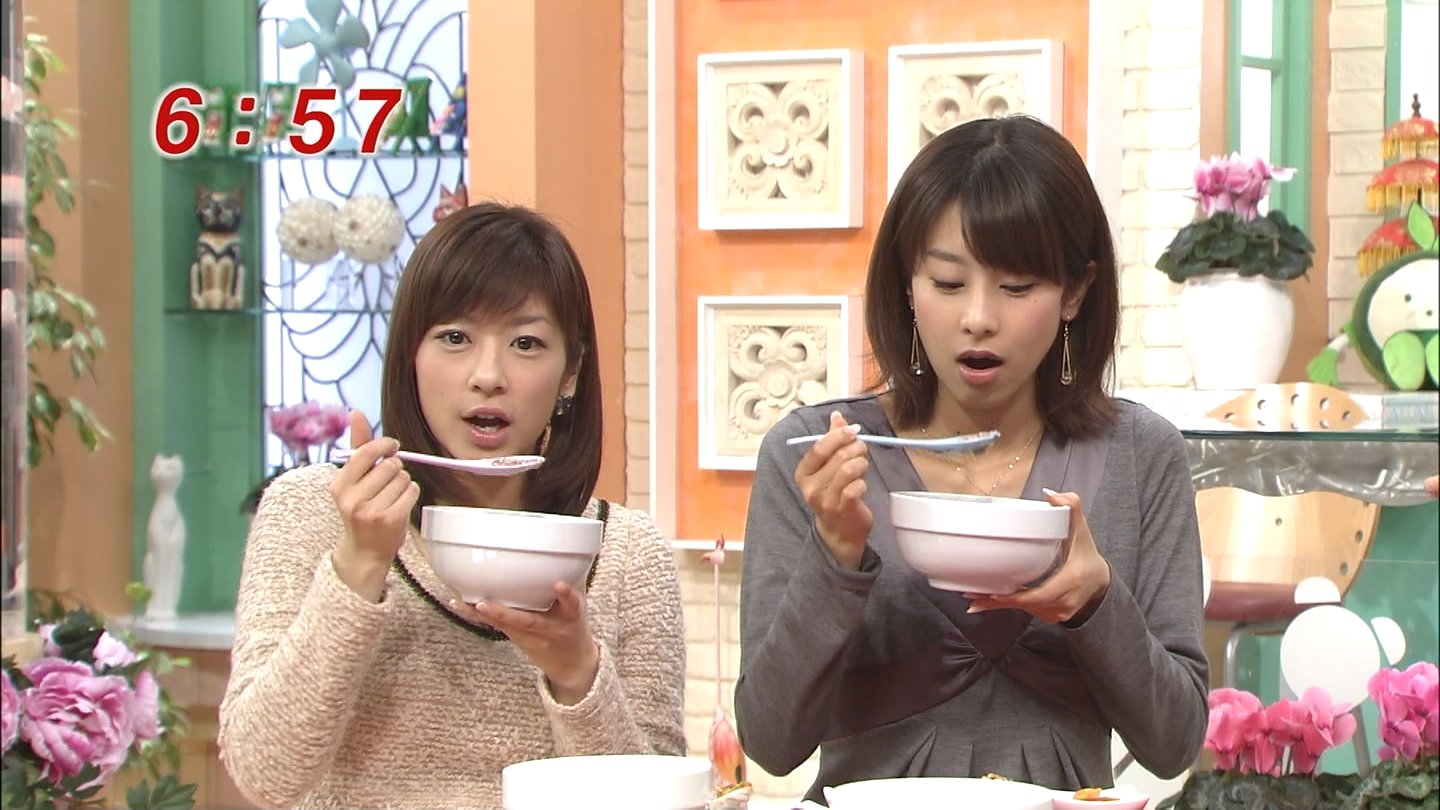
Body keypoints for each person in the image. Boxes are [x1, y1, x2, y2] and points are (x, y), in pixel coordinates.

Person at [734, 116, 1209, 802]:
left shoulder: (1141, 454)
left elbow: (1173, 745)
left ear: (1075, 292)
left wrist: (1095, 601)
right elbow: (771, 744)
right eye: (949, 283)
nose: (978, 317)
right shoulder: (817, 456)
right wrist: (835, 555)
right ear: (907, 284)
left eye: (1016, 287)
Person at [219, 203, 685, 809]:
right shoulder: (313, 510)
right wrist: (359, 564)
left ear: (570, 372)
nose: (488, 375)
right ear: (410, 355)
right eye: (455, 338)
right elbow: (266, 775)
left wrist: (577, 673)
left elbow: (662, 798)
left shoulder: (627, 553)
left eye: (525, 343)